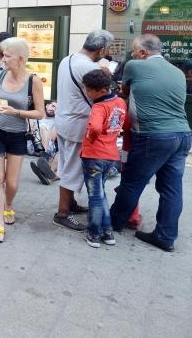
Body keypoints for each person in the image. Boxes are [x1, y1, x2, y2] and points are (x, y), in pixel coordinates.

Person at [110, 35, 192, 252]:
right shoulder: (178, 72)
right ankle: (165, 236)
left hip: (152, 136)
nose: (133, 55)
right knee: (171, 188)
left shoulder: (135, 66)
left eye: (135, 51)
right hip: (182, 134)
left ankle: (111, 224)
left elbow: (126, 92)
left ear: (143, 53)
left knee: (131, 182)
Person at [0, 37, 45, 243]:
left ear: (21, 58)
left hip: (17, 135)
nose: (2, 59)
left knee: (12, 183)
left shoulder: (33, 81)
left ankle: (9, 204)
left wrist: (17, 112)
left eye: (7, 56)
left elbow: (40, 113)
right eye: (2, 55)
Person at [49, 29, 115, 232]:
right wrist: (106, 76)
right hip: (77, 124)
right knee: (72, 168)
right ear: (101, 49)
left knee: (68, 164)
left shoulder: (68, 59)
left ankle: (71, 203)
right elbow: (101, 94)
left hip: (64, 120)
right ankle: (62, 213)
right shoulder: (88, 66)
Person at [79, 69, 127, 248]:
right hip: (111, 155)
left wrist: (90, 138)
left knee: (95, 197)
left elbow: (96, 128)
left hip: (94, 155)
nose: (86, 93)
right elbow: (124, 123)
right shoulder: (120, 101)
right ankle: (108, 232)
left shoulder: (98, 107)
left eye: (87, 90)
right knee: (101, 194)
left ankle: (94, 234)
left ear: (96, 90)